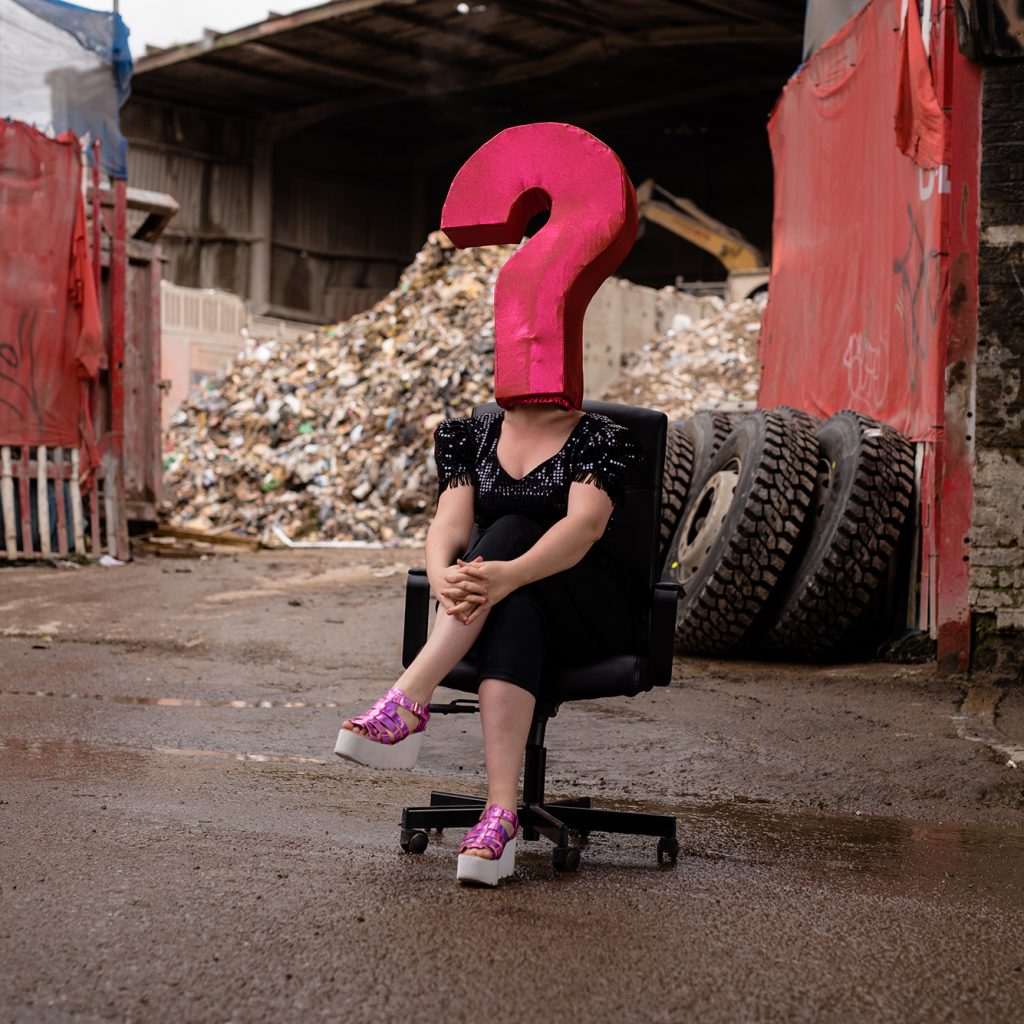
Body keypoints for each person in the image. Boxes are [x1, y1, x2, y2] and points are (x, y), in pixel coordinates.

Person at [335, 399, 643, 886]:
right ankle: (501, 814)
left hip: (587, 612)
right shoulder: (468, 435)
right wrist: (441, 577)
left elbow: (586, 526)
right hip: (500, 608)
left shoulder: (600, 436)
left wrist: (508, 575)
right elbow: (450, 526)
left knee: (512, 527)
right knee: (516, 605)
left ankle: (411, 696)